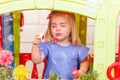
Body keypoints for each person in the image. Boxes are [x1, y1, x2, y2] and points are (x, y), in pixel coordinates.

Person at [31, 10, 89, 80]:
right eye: (53, 26)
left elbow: (85, 61)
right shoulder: (48, 46)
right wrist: (35, 46)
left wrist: (81, 71)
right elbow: (36, 60)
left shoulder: (77, 48)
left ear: (71, 28)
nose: (58, 29)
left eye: (62, 25)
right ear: (50, 28)